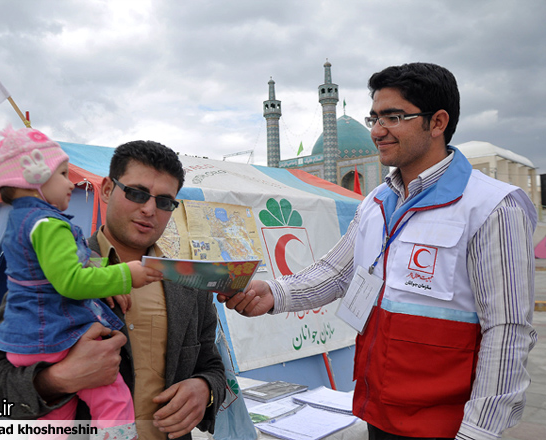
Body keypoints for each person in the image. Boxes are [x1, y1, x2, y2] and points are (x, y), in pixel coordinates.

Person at [221, 62, 538, 440]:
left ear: (437, 122)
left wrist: (478, 431)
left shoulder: (491, 206)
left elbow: (507, 329)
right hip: (379, 410)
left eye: (393, 117)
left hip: (445, 423)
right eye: (374, 117)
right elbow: (336, 273)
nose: (376, 130)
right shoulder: (377, 201)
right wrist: (273, 292)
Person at [0, 139, 226, 440]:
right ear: (107, 189)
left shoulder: (188, 281)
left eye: (163, 201)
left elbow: (212, 364)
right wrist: (57, 379)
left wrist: (205, 389)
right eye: (136, 193)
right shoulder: (51, 267)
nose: (149, 209)